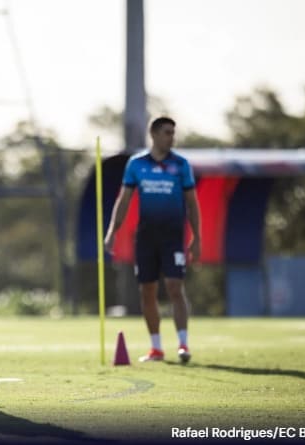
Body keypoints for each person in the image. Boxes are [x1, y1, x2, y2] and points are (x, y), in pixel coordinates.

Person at [103, 117, 201, 364]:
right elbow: (123, 200)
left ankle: (182, 344)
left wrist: (197, 237)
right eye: (167, 132)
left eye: (173, 133)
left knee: (174, 287)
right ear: (154, 134)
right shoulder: (136, 164)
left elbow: (192, 203)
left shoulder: (181, 165)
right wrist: (112, 231)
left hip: (172, 236)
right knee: (147, 290)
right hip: (146, 236)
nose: (172, 137)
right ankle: (156, 348)